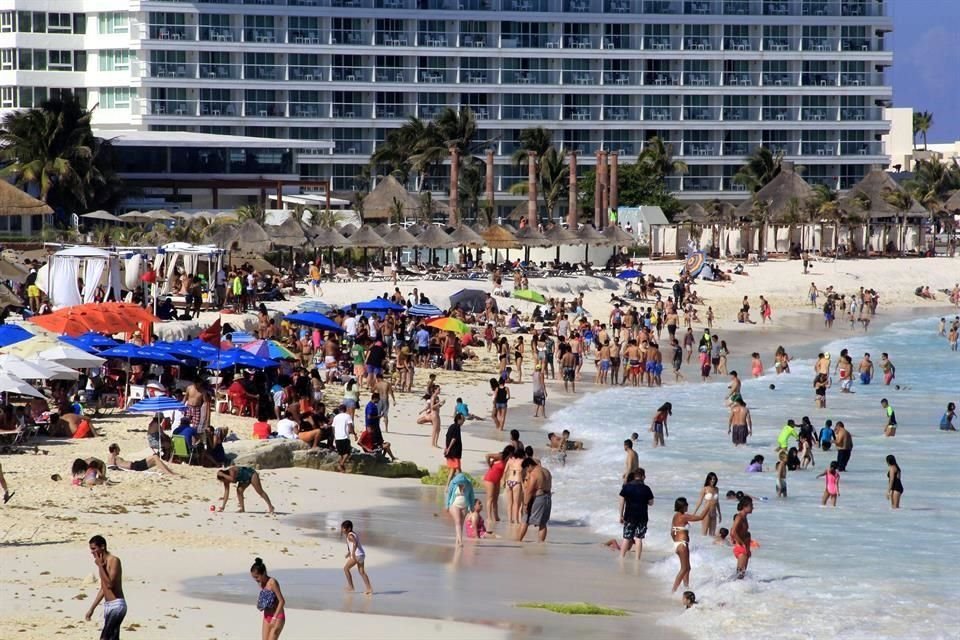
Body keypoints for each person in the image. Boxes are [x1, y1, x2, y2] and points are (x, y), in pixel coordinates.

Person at [84, 535, 126, 640]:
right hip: (108, 606)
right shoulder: (101, 563)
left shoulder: (114, 560)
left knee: (104, 638)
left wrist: (100, 566)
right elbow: (103, 589)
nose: (92, 552)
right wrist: (92, 608)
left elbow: (110, 584)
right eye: (91, 549)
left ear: (102, 547)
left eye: (94, 549)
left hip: (117, 605)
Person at [670, 497, 707, 593]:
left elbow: (672, 532)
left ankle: (686, 588)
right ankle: (673, 591)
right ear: (682, 507)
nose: (687, 506)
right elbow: (701, 517)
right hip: (682, 544)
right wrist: (709, 506)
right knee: (684, 568)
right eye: (686, 505)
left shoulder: (675, 516)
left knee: (687, 568)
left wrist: (676, 542)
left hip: (678, 544)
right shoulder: (683, 516)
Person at [618, 469, 654, 559]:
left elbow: (622, 502)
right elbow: (651, 503)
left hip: (629, 516)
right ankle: (637, 559)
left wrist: (621, 515)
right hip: (642, 517)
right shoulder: (646, 488)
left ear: (634, 476)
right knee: (639, 538)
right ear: (642, 476)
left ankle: (621, 557)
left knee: (626, 537)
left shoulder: (627, 487)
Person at [518, 457, 552, 542]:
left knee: (525, 518)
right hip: (548, 497)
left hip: (538, 498)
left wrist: (525, 504)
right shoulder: (546, 471)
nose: (527, 472)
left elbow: (529, 491)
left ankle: (518, 541)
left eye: (526, 469)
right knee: (543, 523)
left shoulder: (534, 474)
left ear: (529, 466)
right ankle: (541, 543)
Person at [250, 557, 286, 639]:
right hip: (266, 615)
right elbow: (267, 598)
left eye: (257, 577)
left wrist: (274, 618)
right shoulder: (261, 583)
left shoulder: (272, 582)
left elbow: (282, 601)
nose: (256, 580)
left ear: (263, 573)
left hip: (277, 616)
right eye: (254, 577)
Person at [341, 520, 373, 594]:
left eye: (343, 528)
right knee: (362, 572)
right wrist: (349, 552)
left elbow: (355, 543)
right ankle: (369, 589)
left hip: (357, 555)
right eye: (342, 528)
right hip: (362, 554)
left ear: (348, 528)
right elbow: (353, 544)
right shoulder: (353, 533)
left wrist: (352, 553)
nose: (342, 530)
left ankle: (351, 587)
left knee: (346, 569)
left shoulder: (350, 535)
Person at [107, 443, 177, 476]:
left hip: (135, 465)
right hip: (135, 467)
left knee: (155, 458)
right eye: (118, 449)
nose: (120, 450)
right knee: (155, 457)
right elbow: (112, 467)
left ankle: (170, 472)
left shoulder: (113, 456)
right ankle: (169, 473)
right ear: (115, 450)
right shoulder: (112, 456)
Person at [483, 446, 512, 523]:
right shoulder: (501, 456)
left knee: (496, 499)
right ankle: (489, 517)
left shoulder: (508, 460)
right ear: (509, 453)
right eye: (512, 454)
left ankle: (496, 516)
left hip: (497, 480)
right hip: (490, 479)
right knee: (490, 498)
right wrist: (489, 465)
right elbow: (487, 455)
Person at [446, 471, 475, 546]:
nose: (459, 484)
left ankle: (457, 540)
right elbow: (449, 494)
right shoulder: (453, 483)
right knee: (458, 521)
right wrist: (447, 506)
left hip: (465, 505)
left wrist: (472, 506)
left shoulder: (468, 484)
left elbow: (471, 496)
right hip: (454, 505)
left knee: (461, 523)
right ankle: (460, 541)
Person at [730, 495, 753, 579]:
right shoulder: (739, 517)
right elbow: (733, 531)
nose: (752, 508)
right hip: (741, 548)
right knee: (740, 574)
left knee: (742, 574)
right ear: (744, 507)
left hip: (744, 547)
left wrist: (748, 547)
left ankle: (736, 589)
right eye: (751, 506)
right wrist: (741, 543)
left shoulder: (744, 517)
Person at [693, 472, 721, 537]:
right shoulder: (705, 489)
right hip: (706, 513)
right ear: (708, 480)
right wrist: (694, 513)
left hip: (714, 513)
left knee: (712, 534)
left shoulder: (716, 489)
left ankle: (710, 547)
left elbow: (717, 502)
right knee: (704, 533)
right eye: (711, 479)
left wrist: (719, 514)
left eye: (714, 479)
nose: (712, 480)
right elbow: (700, 501)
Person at [332, 405, 355, 472]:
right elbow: (350, 426)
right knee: (347, 453)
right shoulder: (347, 416)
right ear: (345, 409)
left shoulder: (336, 417)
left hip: (337, 437)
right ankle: (341, 464)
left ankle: (341, 468)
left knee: (341, 453)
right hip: (344, 437)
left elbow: (333, 427)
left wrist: (335, 435)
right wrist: (353, 433)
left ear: (339, 410)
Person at [444, 413, 464, 479]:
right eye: (463, 420)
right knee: (458, 469)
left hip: (451, 451)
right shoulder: (457, 427)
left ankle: (448, 486)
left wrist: (446, 448)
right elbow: (454, 438)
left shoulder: (451, 426)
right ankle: (462, 486)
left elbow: (447, 437)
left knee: (453, 469)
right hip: (454, 452)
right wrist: (448, 448)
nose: (463, 421)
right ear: (459, 419)